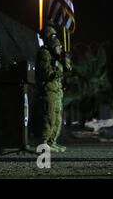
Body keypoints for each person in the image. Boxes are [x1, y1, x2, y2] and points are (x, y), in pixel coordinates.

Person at [35, 24, 71, 153]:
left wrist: (64, 61)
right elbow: (47, 73)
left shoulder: (53, 55)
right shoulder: (44, 53)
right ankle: (44, 144)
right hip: (48, 90)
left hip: (56, 90)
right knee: (49, 118)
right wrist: (61, 70)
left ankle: (52, 142)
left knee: (57, 120)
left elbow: (65, 72)